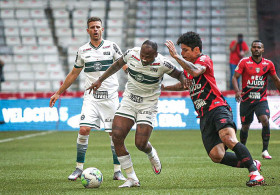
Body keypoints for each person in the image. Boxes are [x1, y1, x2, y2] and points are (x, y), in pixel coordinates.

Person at [164, 31, 264, 187]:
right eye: (181, 50)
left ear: (196, 50)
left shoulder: (204, 60)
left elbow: (196, 71)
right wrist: (164, 87)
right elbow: (185, 84)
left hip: (218, 108)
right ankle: (252, 163)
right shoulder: (188, 69)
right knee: (216, 155)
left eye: (185, 50)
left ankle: (255, 174)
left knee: (228, 138)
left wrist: (176, 57)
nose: (182, 53)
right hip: (204, 115)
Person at [87, 40, 187, 188]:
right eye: (143, 55)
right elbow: (117, 64)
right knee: (117, 137)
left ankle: (151, 153)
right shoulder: (131, 54)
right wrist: (100, 80)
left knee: (140, 144)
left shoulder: (163, 63)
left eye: (148, 56)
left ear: (156, 55)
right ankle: (132, 178)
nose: (144, 59)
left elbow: (180, 75)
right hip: (129, 101)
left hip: (148, 103)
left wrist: (184, 82)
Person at [49, 17, 127, 181]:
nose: (95, 30)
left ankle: (117, 171)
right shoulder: (83, 50)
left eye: (98, 27)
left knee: (114, 134)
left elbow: (125, 66)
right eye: (92, 27)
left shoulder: (112, 46)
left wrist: (136, 78)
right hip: (91, 98)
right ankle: (78, 168)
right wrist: (58, 93)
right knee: (84, 129)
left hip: (111, 98)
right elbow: (73, 74)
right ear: (88, 31)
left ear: (102, 29)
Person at [232, 40, 280, 160]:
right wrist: (237, 91)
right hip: (246, 100)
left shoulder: (268, 64)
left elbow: (276, 79)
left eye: (259, 47)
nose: (256, 49)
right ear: (251, 49)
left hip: (261, 100)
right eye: (254, 47)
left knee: (265, 120)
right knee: (245, 126)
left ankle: (265, 150)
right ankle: (242, 152)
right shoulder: (244, 62)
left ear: (262, 50)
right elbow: (235, 77)